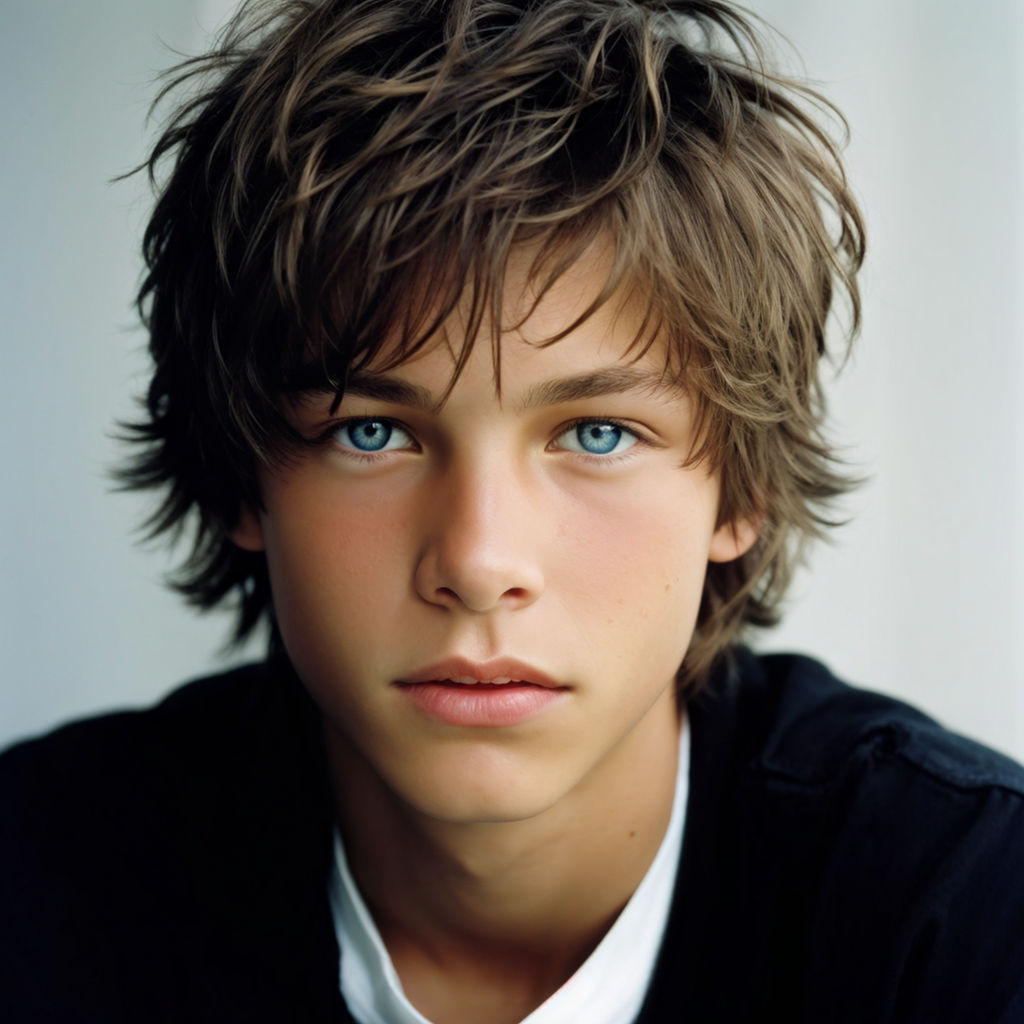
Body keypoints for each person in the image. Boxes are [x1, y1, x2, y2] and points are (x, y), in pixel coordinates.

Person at [2, 1, 1022, 1021]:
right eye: (370, 431)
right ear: (239, 478)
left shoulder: (965, 911)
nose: (480, 562)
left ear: (740, 488)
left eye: (597, 433)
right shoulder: (40, 883)